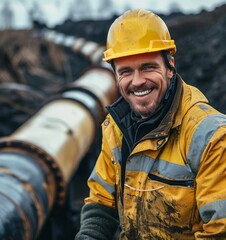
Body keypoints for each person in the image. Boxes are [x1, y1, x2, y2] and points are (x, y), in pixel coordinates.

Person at [75, 8, 226, 239]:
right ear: (115, 76)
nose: (137, 81)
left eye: (148, 67)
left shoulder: (210, 137)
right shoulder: (115, 128)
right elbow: (101, 201)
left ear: (170, 66)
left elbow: (219, 231)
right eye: (126, 71)